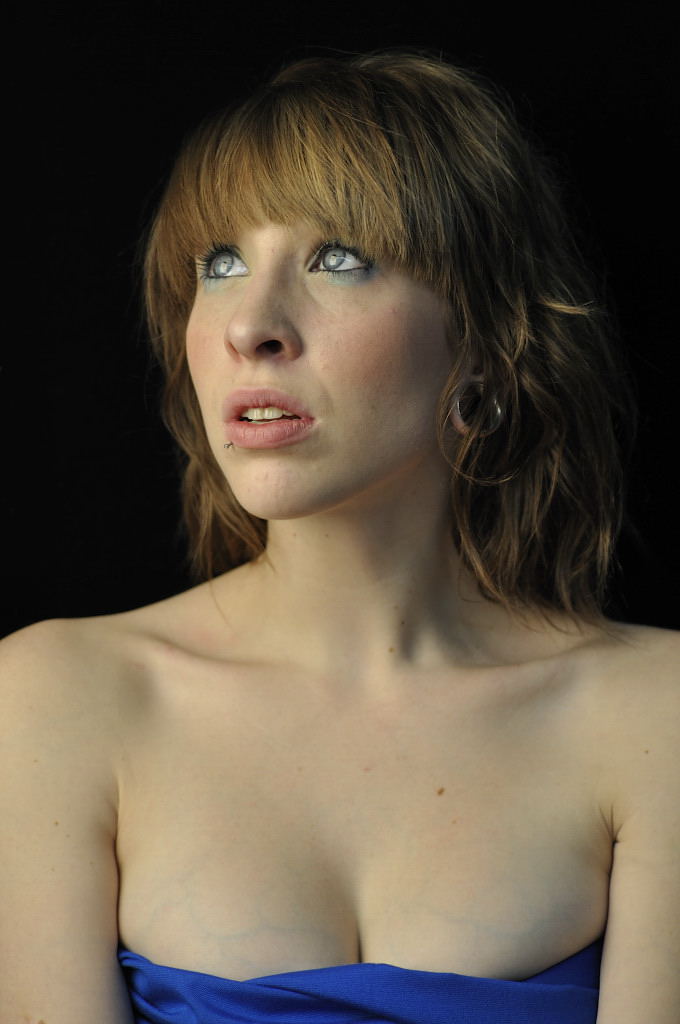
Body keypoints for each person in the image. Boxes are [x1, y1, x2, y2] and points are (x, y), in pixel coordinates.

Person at [2, 51, 678, 1024]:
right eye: (221, 264)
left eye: (340, 259)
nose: (250, 327)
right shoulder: (55, 699)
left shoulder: (654, 715)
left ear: (487, 348)